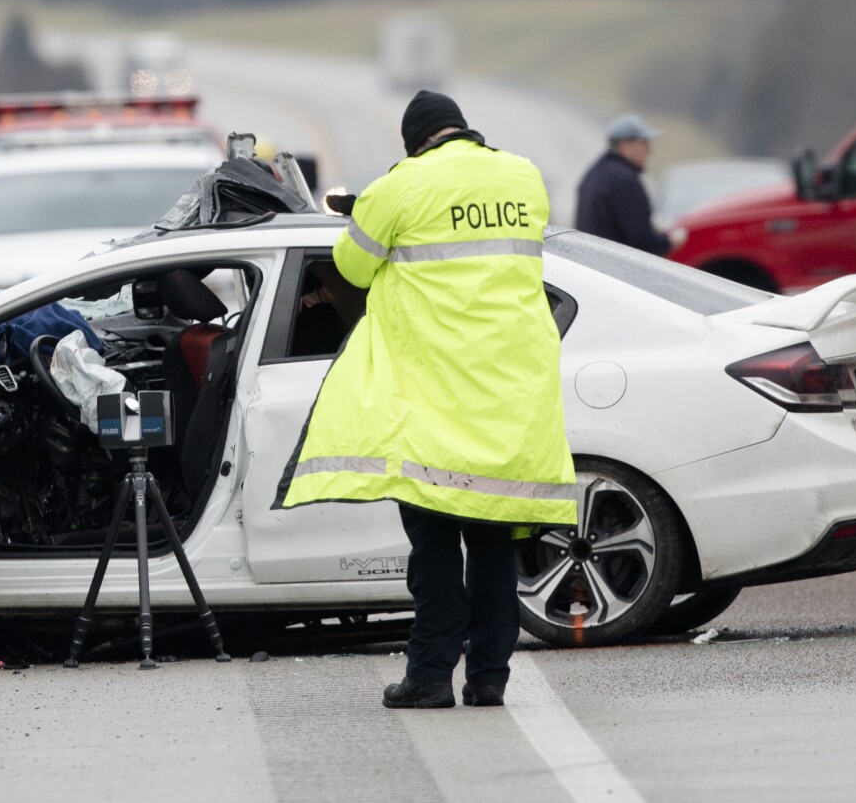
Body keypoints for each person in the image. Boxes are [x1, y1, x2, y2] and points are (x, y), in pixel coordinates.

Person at [273, 90, 577, 709]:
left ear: (413, 141)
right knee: (493, 546)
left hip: (434, 400)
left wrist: (371, 216)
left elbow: (352, 268)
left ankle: (431, 677)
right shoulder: (524, 176)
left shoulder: (401, 186)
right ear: (463, 129)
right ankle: (489, 679)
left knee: (435, 550)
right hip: (509, 394)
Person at [574, 113, 675, 254]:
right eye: (643, 143)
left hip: (591, 260)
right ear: (624, 145)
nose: (649, 150)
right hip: (612, 266)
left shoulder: (595, 173)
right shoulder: (624, 181)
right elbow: (641, 240)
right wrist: (669, 241)